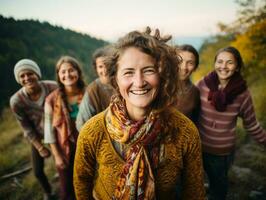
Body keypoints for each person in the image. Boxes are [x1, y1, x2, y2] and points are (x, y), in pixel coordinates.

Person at [73, 27, 205, 200]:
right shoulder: (93, 131)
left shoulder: (185, 132)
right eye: (128, 72)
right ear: (115, 79)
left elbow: (194, 192)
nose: (139, 82)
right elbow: (82, 183)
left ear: (163, 75)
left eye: (149, 70)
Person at [196, 46, 266, 200]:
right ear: (214, 63)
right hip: (197, 148)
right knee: (194, 184)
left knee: (219, 188)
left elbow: (251, 124)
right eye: (220, 61)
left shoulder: (242, 93)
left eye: (229, 63)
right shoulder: (203, 84)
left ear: (237, 67)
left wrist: (264, 140)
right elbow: (189, 106)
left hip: (222, 154)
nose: (223, 66)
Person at [10, 58, 57, 200]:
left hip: (56, 130)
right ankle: (48, 192)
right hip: (36, 134)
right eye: (22, 76)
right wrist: (40, 147)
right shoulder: (16, 101)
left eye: (30, 73)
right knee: (37, 171)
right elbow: (26, 128)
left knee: (63, 162)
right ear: (19, 80)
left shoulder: (52, 87)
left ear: (37, 74)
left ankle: (66, 182)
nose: (27, 78)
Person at [44, 56, 86, 200]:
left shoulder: (89, 93)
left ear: (78, 72)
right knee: (67, 189)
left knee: (88, 184)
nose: (67, 75)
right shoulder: (51, 99)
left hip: (87, 148)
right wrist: (56, 155)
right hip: (64, 149)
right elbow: (48, 132)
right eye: (63, 72)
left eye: (71, 70)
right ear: (58, 75)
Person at [76, 46, 115, 131]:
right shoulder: (93, 89)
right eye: (100, 67)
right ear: (96, 69)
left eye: (107, 65)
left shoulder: (121, 84)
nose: (104, 70)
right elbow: (81, 123)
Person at [174, 44, 200, 123]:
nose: (184, 67)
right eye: (179, 61)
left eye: (190, 63)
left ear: (195, 67)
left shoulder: (195, 92)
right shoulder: (160, 85)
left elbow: (194, 122)